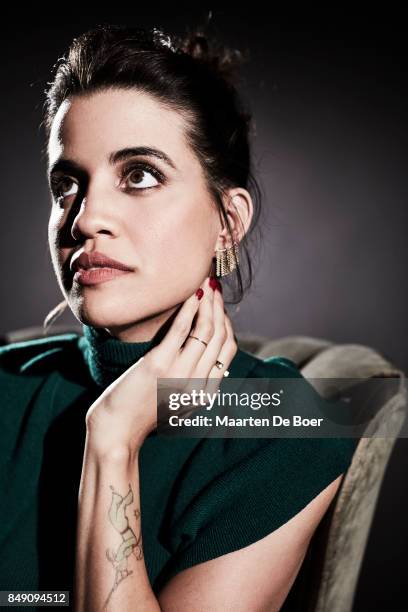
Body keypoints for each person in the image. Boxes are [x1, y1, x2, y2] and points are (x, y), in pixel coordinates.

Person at [0, 23, 357, 611]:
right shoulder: (10, 382)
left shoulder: (286, 422)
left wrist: (112, 439)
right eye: (68, 184)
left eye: (139, 174)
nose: (85, 220)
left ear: (228, 223)